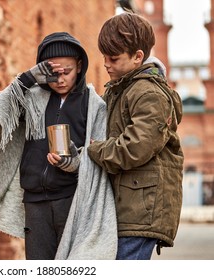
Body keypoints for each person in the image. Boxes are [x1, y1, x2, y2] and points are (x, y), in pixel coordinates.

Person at [0, 32, 117, 260]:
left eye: (67, 71)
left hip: (72, 200)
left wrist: (75, 163)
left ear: (79, 66)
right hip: (34, 201)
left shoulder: (93, 104)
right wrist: (28, 78)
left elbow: (99, 151)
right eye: (53, 73)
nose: (61, 79)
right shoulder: (31, 97)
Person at [87, 12, 184, 260]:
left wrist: (94, 149)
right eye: (104, 57)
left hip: (142, 208)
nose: (106, 64)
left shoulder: (149, 93)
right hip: (128, 205)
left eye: (114, 58)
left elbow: (134, 147)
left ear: (138, 57)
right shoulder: (121, 89)